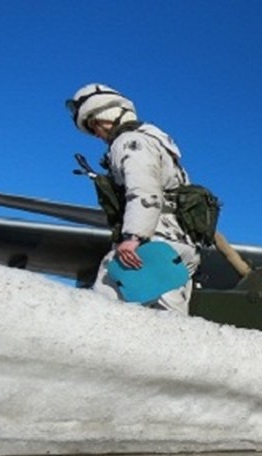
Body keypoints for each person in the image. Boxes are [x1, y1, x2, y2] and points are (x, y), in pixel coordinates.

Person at [68, 84, 201, 313]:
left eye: (95, 125)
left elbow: (144, 190)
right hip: (179, 246)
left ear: (108, 116)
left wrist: (133, 237)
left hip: (154, 243)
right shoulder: (160, 145)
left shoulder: (129, 142)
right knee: (169, 319)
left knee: (105, 304)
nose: (97, 134)